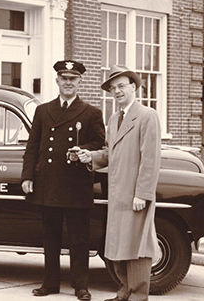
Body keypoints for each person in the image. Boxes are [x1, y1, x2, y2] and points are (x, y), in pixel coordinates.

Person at [21, 60, 105, 300]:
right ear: (57, 81)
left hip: (76, 184)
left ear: (80, 82)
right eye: (64, 78)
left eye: (73, 79)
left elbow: (100, 144)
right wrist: (27, 176)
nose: (68, 83)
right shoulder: (43, 110)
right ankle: (50, 284)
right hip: (49, 182)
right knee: (51, 237)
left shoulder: (91, 112)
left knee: (78, 239)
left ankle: (80, 286)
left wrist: (83, 150)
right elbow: (33, 146)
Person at [77, 65, 161, 301]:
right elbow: (110, 154)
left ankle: (138, 295)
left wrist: (142, 194)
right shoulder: (114, 119)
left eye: (121, 86)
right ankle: (124, 290)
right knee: (118, 245)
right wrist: (90, 157)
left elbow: (151, 159)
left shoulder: (147, 116)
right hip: (116, 193)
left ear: (133, 86)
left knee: (137, 247)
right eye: (113, 88)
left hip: (135, 194)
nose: (117, 91)